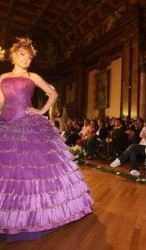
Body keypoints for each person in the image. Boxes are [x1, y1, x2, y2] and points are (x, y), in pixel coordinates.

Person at [0, 38, 93, 242]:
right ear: (13, 55)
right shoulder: (3, 77)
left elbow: (53, 93)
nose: (27, 60)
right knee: (7, 172)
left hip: (27, 122)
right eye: (23, 55)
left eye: (30, 57)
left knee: (28, 170)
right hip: (6, 125)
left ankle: (31, 216)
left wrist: (41, 110)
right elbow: (1, 102)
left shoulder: (33, 76)